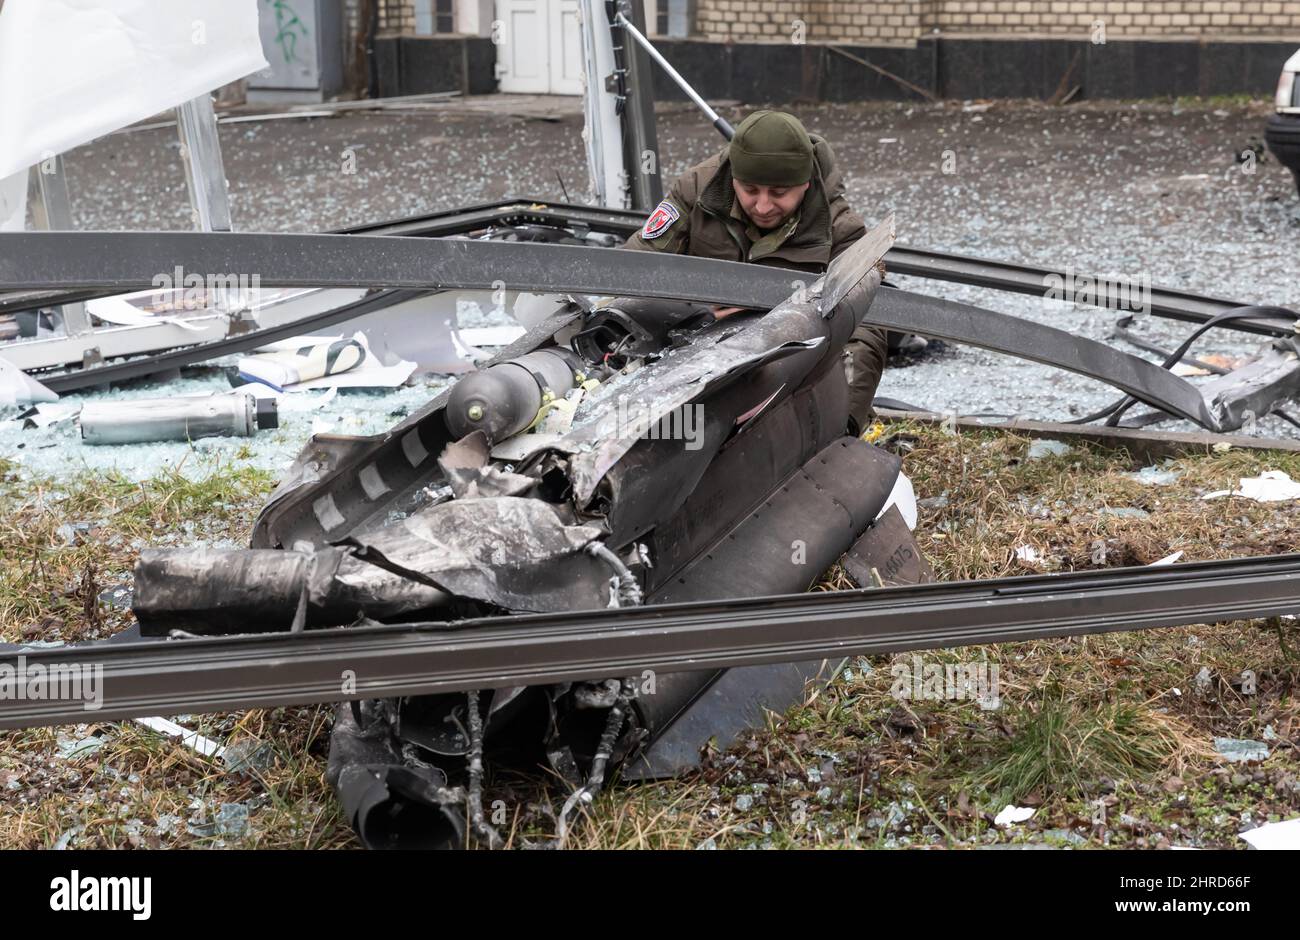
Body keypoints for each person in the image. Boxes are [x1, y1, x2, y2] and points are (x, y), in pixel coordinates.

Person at [624, 109, 888, 433]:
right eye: (749, 190)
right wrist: (695, 313)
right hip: (689, 354)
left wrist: (842, 420)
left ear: (804, 184)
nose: (763, 206)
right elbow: (635, 273)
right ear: (734, 176)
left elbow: (865, 328)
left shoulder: (840, 229)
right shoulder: (695, 191)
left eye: (778, 194)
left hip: (782, 370)